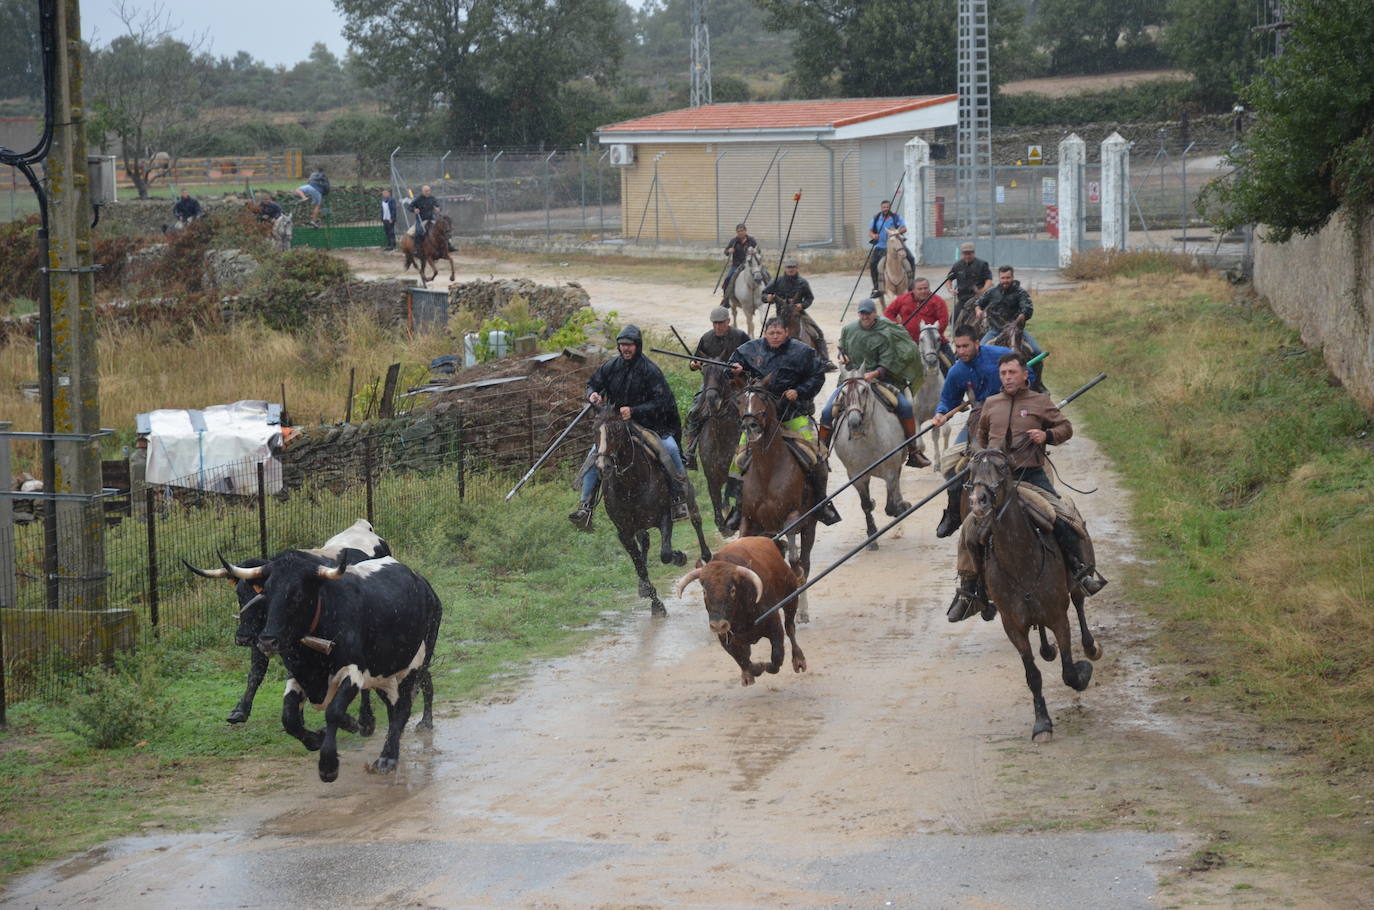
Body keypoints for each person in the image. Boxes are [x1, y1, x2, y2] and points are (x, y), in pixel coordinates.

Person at [946, 352, 1106, 622]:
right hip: (998, 481)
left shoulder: (1040, 402)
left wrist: (1047, 435)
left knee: (1060, 517)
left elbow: (1066, 428)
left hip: (1031, 475)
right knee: (970, 528)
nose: (1007, 378)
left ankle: (1079, 572)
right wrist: (982, 454)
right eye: (1003, 374)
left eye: (1012, 373)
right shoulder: (991, 404)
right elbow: (981, 436)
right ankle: (970, 589)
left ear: (1024, 375)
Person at [569, 325, 689, 531]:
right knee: (595, 454)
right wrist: (593, 394)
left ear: (637, 346)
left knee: (670, 449)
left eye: (629, 345)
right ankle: (585, 507)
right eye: (622, 345)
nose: (625, 348)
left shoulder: (650, 371)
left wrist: (635, 410)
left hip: (649, 425)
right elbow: (593, 383)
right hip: (616, 425)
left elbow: (663, 402)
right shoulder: (611, 366)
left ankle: (679, 497)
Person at [725, 316, 839, 527]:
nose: (775, 336)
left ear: (786, 332)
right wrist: (735, 370)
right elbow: (728, 369)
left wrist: (800, 391)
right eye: (771, 333)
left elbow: (818, 375)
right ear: (765, 333)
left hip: (794, 415)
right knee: (738, 459)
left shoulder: (803, 352)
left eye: (779, 333)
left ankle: (821, 503)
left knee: (817, 454)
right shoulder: (749, 350)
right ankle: (738, 507)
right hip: (760, 418)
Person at [928, 325, 1032, 538]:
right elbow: (948, 399)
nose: (962, 351)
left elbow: (1027, 374)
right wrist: (941, 413)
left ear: (977, 343)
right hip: (978, 419)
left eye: (966, 346)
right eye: (958, 347)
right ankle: (954, 512)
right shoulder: (957, 370)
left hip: (1010, 414)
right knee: (950, 465)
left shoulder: (1002, 356)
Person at [823, 299, 930, 467]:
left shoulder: (885, 331)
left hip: (878, 380)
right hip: (851, 380)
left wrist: (873, 373)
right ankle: (822, 455)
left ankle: (913, 451)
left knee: (906, 407)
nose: (864, 316)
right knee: (827, 411)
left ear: (875, 314)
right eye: (862, 313)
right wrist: (842, 357)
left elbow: (887, 361)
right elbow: (841, 349)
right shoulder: (848, 329)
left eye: (868, 313)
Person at [682, 306, 751, 470]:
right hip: (712, 383)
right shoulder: (706, 338)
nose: (718, 326)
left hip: (737, 383)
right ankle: (690, 450)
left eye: (721, 323)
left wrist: (742, 367)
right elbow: (695, 360)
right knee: (695, 410)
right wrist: (693, 364)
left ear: (728, 321)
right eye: (715, 323)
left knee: (751, 411)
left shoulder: (741, 337)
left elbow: (754, 359)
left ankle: (754, 444)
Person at [762, 257, 835, 369]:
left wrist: (802, 305)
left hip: (798, 313)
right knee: (769, 333)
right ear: (785, 268)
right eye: (789, 267)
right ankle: (764, 358)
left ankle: (825, 360)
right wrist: (768, 298)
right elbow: (763, 295)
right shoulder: (776, 281)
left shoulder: (803, 282)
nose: (791, 269)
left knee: (817, 332)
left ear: (797, 268)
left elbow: (809, 298)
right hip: (780, 314)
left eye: (793, 267)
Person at [884, 276, 953, 372]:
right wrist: (897, 327)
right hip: (908, 342)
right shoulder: (902, 299)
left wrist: (931, 334)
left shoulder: (938, 301)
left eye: (925, 288)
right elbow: (888, 313)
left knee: (951, 363)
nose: (923, 291)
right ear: (913, 290)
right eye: (920, 289)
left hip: (933, 342)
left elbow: (944, 320)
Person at [975, 265, 1042, 363]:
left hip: (1016, 330)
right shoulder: (992, 292)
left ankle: (1036, 378)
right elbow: (978, 303)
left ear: (1012, 277)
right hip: (995, 331)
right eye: (1003, 278)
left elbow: (1027, 308)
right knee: (978, 353)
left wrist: (1022, 316)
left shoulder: (1020, 293)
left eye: (1008, 278)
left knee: (1037, 352)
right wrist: (978, 310)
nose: (1005, 280)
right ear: (999, 278)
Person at [867, 200, 912, 295]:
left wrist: (897, 231)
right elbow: (870, 231)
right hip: (881, 247)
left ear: (889, 207)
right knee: (874, 264)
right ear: (881, 208)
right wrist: (873, 236)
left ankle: (912, 286)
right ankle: (877, 288)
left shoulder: (896, 218)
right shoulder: (876, 218)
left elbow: (904, 228)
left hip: (897, 246)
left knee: (911, 259)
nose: (885, 209)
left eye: (887, 207)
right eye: (883, 207)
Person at [948, 241, 992, 329]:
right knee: (953, 319)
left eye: (970, 253)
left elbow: (989, 280)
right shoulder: (957, 265)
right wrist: (950, 289)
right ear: (962, 254)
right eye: (965, 254)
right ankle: (956, 337)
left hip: (979, 299)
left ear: (973, 253)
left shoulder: (982, 264)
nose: (967, 256)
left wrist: (984, 290)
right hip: (963, 299)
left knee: (987, 319)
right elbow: (949, 279)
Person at [721, 223, 758, 307]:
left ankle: (768, 294)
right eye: (738, 231)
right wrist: (729, 251)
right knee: (728, 279)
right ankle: (726, 300)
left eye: (742, 231)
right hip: (736, 265)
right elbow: (725, 252)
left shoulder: (752, 240)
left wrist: (754, 252)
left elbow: (758, 251)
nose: (740, 233)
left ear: (745, 231)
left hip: (749, 265)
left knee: (764, 274)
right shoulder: (734, 241)